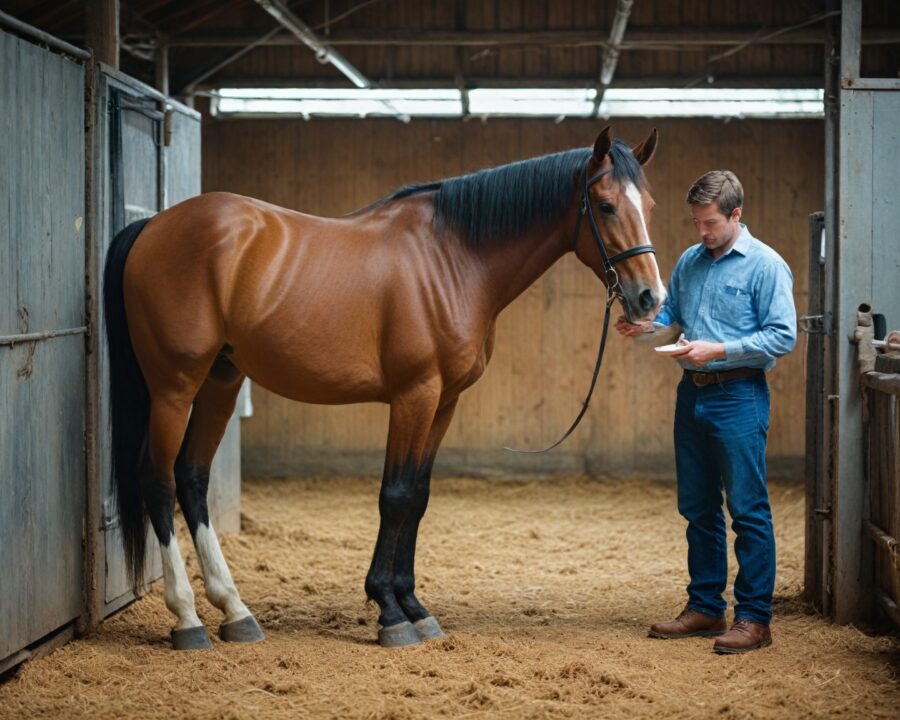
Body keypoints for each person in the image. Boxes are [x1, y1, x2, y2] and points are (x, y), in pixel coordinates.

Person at [616, 170, 796, 654]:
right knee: (696, 506)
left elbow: (783, 336)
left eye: (710, 222)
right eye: (696, 222)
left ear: (736, 215)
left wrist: (717, 350)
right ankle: (706, 606)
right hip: (692, 394)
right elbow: (673, 319)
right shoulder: (692, 261)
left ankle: (755, 618)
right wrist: (645, 326)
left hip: (739, 394)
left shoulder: (766, 265)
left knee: (748, 509)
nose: (702, 232)